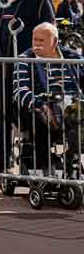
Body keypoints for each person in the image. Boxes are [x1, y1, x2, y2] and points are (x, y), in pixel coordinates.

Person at [0, 0, 55, 176]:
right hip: (0, 71)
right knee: (0, 118)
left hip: (29, 74)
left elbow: (51, 32)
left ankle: (34, 165)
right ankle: (0, 163)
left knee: (30, 117)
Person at [13, 23, 84, 172]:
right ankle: (47, 164)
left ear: (55, 41)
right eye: (35, 39)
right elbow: (20, 90)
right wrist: (41, 105)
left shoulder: (73, 57)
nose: (36, 44)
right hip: (41, 105)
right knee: (39, 116)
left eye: (42, 40)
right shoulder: (25, 59)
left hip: (71, 104)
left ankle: (70, 158)